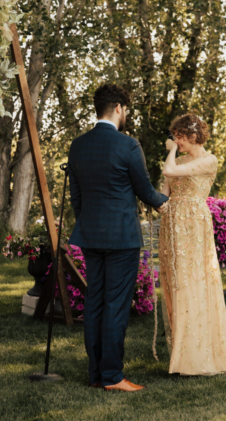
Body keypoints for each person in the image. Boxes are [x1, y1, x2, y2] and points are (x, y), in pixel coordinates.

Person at [68, 84, 169, 392]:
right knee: (115, 306)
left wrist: (88, 222)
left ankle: (96, 374)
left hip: (90, 235)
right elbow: (145, 191)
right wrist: (167, 201)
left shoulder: (78, 145)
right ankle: (112, 376)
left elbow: (76, 196)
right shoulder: (128, 145)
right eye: (126, 110)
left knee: (95, 302)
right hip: (122, 239)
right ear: (118, 108)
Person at [159, 114, 226, 376]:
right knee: (176, 283)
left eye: (179, 136)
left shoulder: (208, 161)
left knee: (194, 281)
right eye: (175, 136)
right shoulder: (178, 160)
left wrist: (170, 152)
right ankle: (181, 353)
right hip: (172, 226)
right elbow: (163, 194)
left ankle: (197, 354)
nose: (175, 141)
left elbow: (169, 171)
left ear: (192, 136)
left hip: (193, 225)